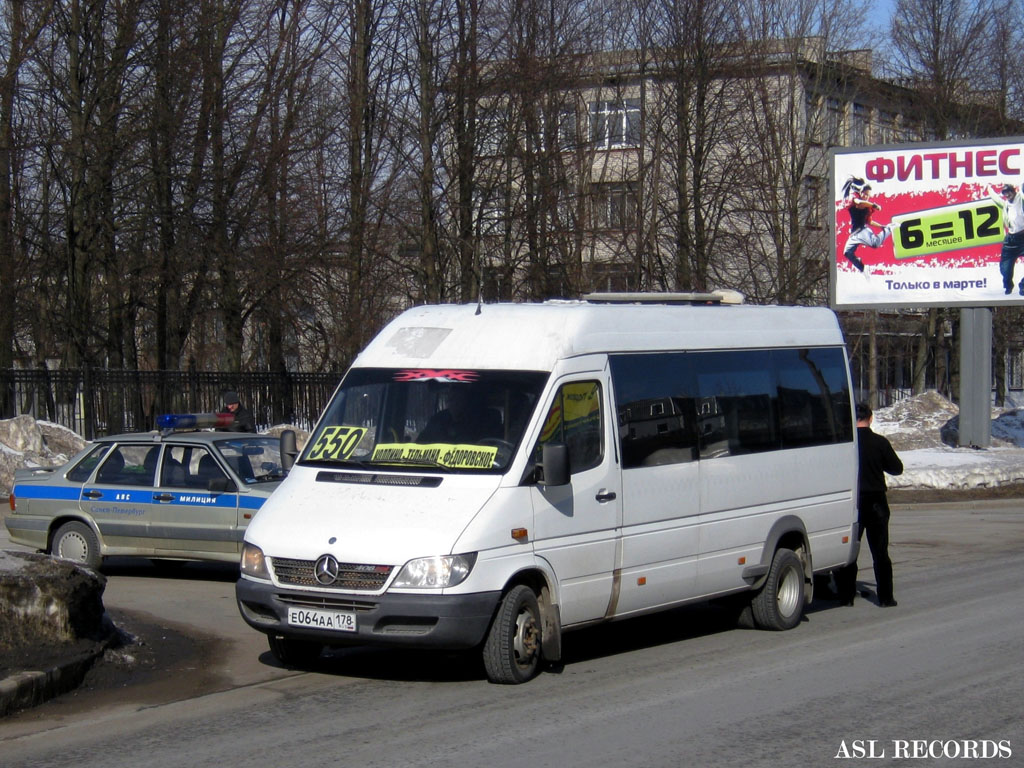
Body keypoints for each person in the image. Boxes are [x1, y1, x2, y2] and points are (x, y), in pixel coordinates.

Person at [837, 402, 903, 607]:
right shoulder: (879, 443)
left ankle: (846, 596)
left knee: (850, 552)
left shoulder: (846, 445)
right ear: (871, 418)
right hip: (876, 502)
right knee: (880, 552)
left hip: (852, 502)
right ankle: (885, 597)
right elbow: (896, 468)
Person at [841, 176, 892, 274]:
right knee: (847, 253)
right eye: (865, 194)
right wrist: (874, 205)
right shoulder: (855, 199)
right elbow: (860, 202)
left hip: (862, 231)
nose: (866, 197)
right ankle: (863, 268)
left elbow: (869, 222)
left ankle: (889, 229)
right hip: (854, 234)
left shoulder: (867, 208)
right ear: (861, 193)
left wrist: (882, 226)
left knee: (875, 243)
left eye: (868, 195)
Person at [987, 183, 1024, 295]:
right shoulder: (1006, 205)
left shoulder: (1021, 199)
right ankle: (1008, 285)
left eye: (1009, 192)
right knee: (1005, 268)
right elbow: (996, 199)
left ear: (1014, 191)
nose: (1007, 194)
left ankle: (1023, 286)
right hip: (1011, 240)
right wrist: (989, 188)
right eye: (1005, 193)